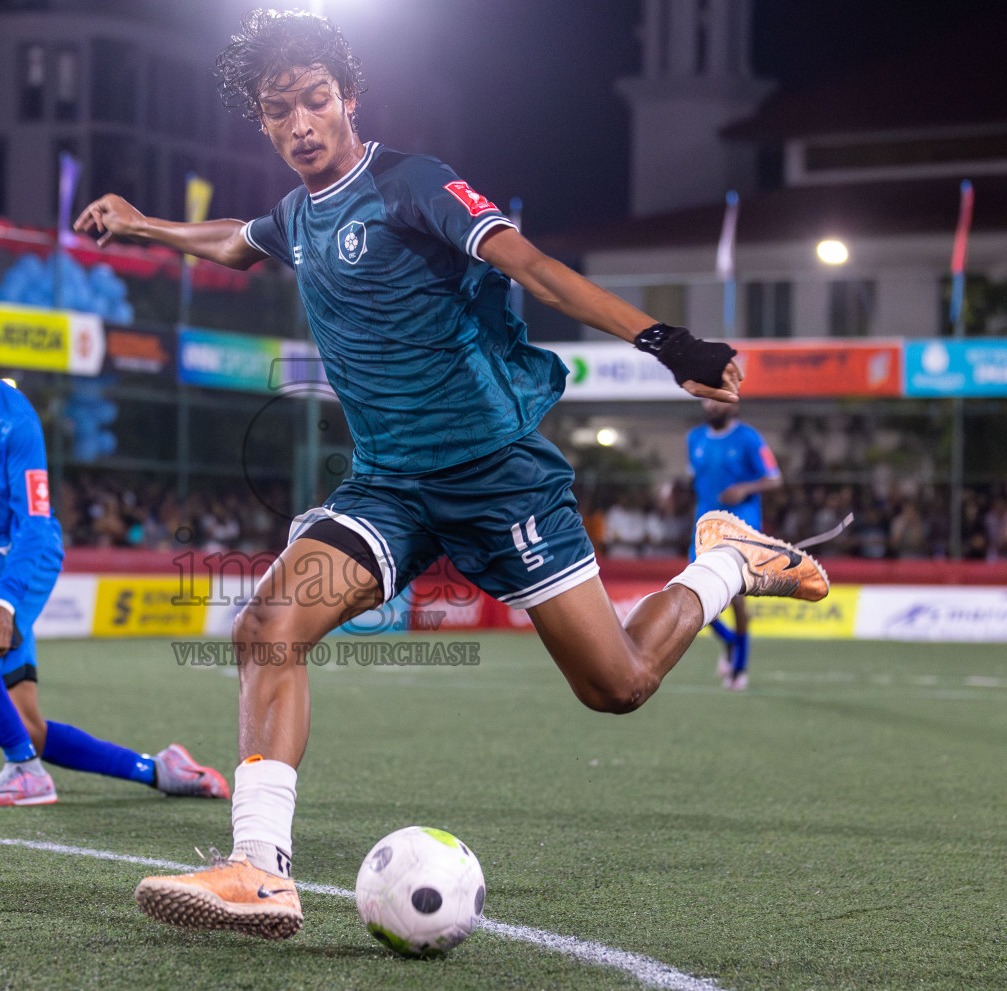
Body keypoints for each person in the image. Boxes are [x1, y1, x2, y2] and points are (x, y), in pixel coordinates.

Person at [74, 9, 830, 941]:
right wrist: (143, 223)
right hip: (388, 485)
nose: (302, 122)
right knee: (268, 626)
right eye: (281, 109)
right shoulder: (300, 216)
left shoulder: (412, 184)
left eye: (317, 99)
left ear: (349, 97)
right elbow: (241, 238)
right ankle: (260, 871)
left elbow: (536, 268)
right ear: (263, 123)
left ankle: (728, 561)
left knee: (618, 684)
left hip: (497, 474)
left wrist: (664, 341)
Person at [0, 288, 230, 807]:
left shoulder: (17, 420)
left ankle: (27, 778)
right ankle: (161, 771)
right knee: (29, 730)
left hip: (21, 550)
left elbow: (33, 523)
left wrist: (6, 600)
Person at [687, 399, 783, 690]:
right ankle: (730, 642)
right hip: (704, 526)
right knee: (695, 594)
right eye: (708, 400)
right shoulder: (694, 439)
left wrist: (744, 488)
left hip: (740, 525)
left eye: (719, 401)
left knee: (736, 598)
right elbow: (697, 480)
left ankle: (740, 667)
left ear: (733, 405)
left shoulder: (749, 438)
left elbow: (774, 479)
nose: (713, 406)